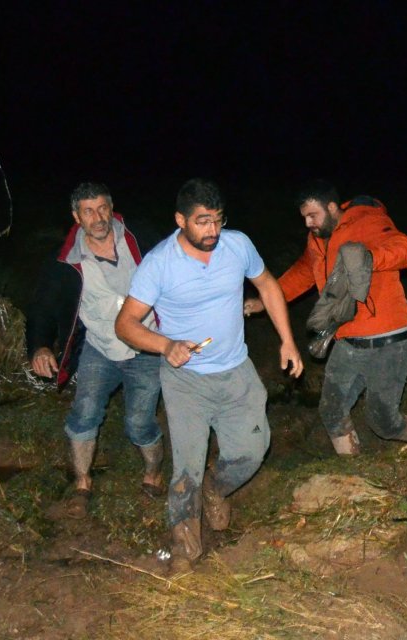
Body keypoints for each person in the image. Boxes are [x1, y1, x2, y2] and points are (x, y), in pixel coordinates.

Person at [115, 178, 303, 571]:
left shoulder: (237, 245)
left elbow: (268, 285)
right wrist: (166, 345)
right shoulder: (159, 263)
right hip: (187, 381)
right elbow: (125, 324)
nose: (212, 230)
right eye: (202, 221)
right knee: (187, 468)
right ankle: (184, 551)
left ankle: (215, 489)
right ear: (180, 220)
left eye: (218, 220)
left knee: (253, 449)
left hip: (236, 371)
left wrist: (287, 340)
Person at [246, 180, 407, 455]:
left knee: (383, 422)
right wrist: (263, 302)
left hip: (389, 341)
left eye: (312, 215)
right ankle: (353, 466)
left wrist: (369, 258)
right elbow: (303, 272)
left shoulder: (367, 221)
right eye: (304, 217)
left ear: (331, 207)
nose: (308, 223)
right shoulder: (317, 240)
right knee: (331, 410)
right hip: (347, 341)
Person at [25, 182, 163, 519]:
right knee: (83, 414)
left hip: (148, 347)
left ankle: (153, 474)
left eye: (102, 208)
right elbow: (41, 307)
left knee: (139, 423)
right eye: (88, 211)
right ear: (76, 216)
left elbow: (180, 272)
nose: (98, 218)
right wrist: (40, 346)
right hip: (99, 348)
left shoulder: (142, 238)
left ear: (112, 208)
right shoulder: (64, 260)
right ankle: (82, 484)